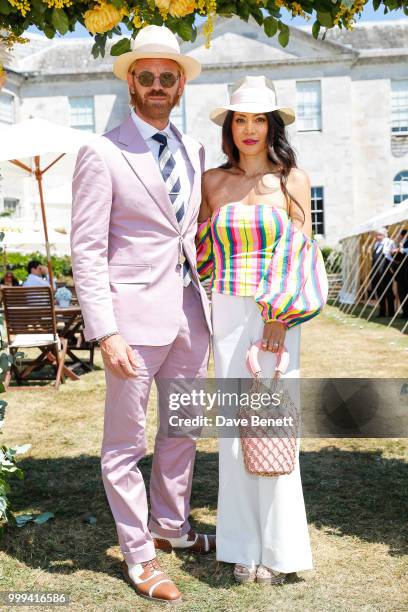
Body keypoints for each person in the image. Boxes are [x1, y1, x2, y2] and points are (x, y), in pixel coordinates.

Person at [70, 25, 212, 604]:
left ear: (179, 85)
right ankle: (139, 554)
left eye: (167, 77)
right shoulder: (101, 152)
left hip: (190, 313)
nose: (157, 85)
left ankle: (170, 527)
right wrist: (105, 330)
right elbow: (87, 249)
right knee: (124, 445)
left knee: (182, 428)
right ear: (132, 82)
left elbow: (191, 231)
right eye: (147, 76)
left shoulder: (192, 148)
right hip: (130, 319)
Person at [196, 76, 328, 584]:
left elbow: (302, 257)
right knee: (233, 431)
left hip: (277, 316)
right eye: (240, 119)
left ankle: (281, 547)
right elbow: (203, 255)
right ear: (230, 126)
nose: (249, 128)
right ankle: (241, 546)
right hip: (227, 312)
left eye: (258, 119)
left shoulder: (293, 178)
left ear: (272, 124)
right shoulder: (212, 182)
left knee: (272, 424)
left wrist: (278, 316)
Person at [371, 228, 396, 317]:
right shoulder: (377, 244)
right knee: (379, 291)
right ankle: (382, 311)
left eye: (378, 235)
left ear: (383, 235)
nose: (376, 237)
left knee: (388, 291)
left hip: (385, 270)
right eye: (376, 235)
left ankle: (391, 312)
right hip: (376, 270)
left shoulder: (389, 242)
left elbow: (392, 257)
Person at [392, 228, 408, 319]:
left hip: (405, 272)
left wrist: (401, 250)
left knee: (405, 292)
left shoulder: (404, 244)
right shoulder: (399, 243)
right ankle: (405, 312)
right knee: (401, 293)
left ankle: (406, 312)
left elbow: (405, 252)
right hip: (401, 273)